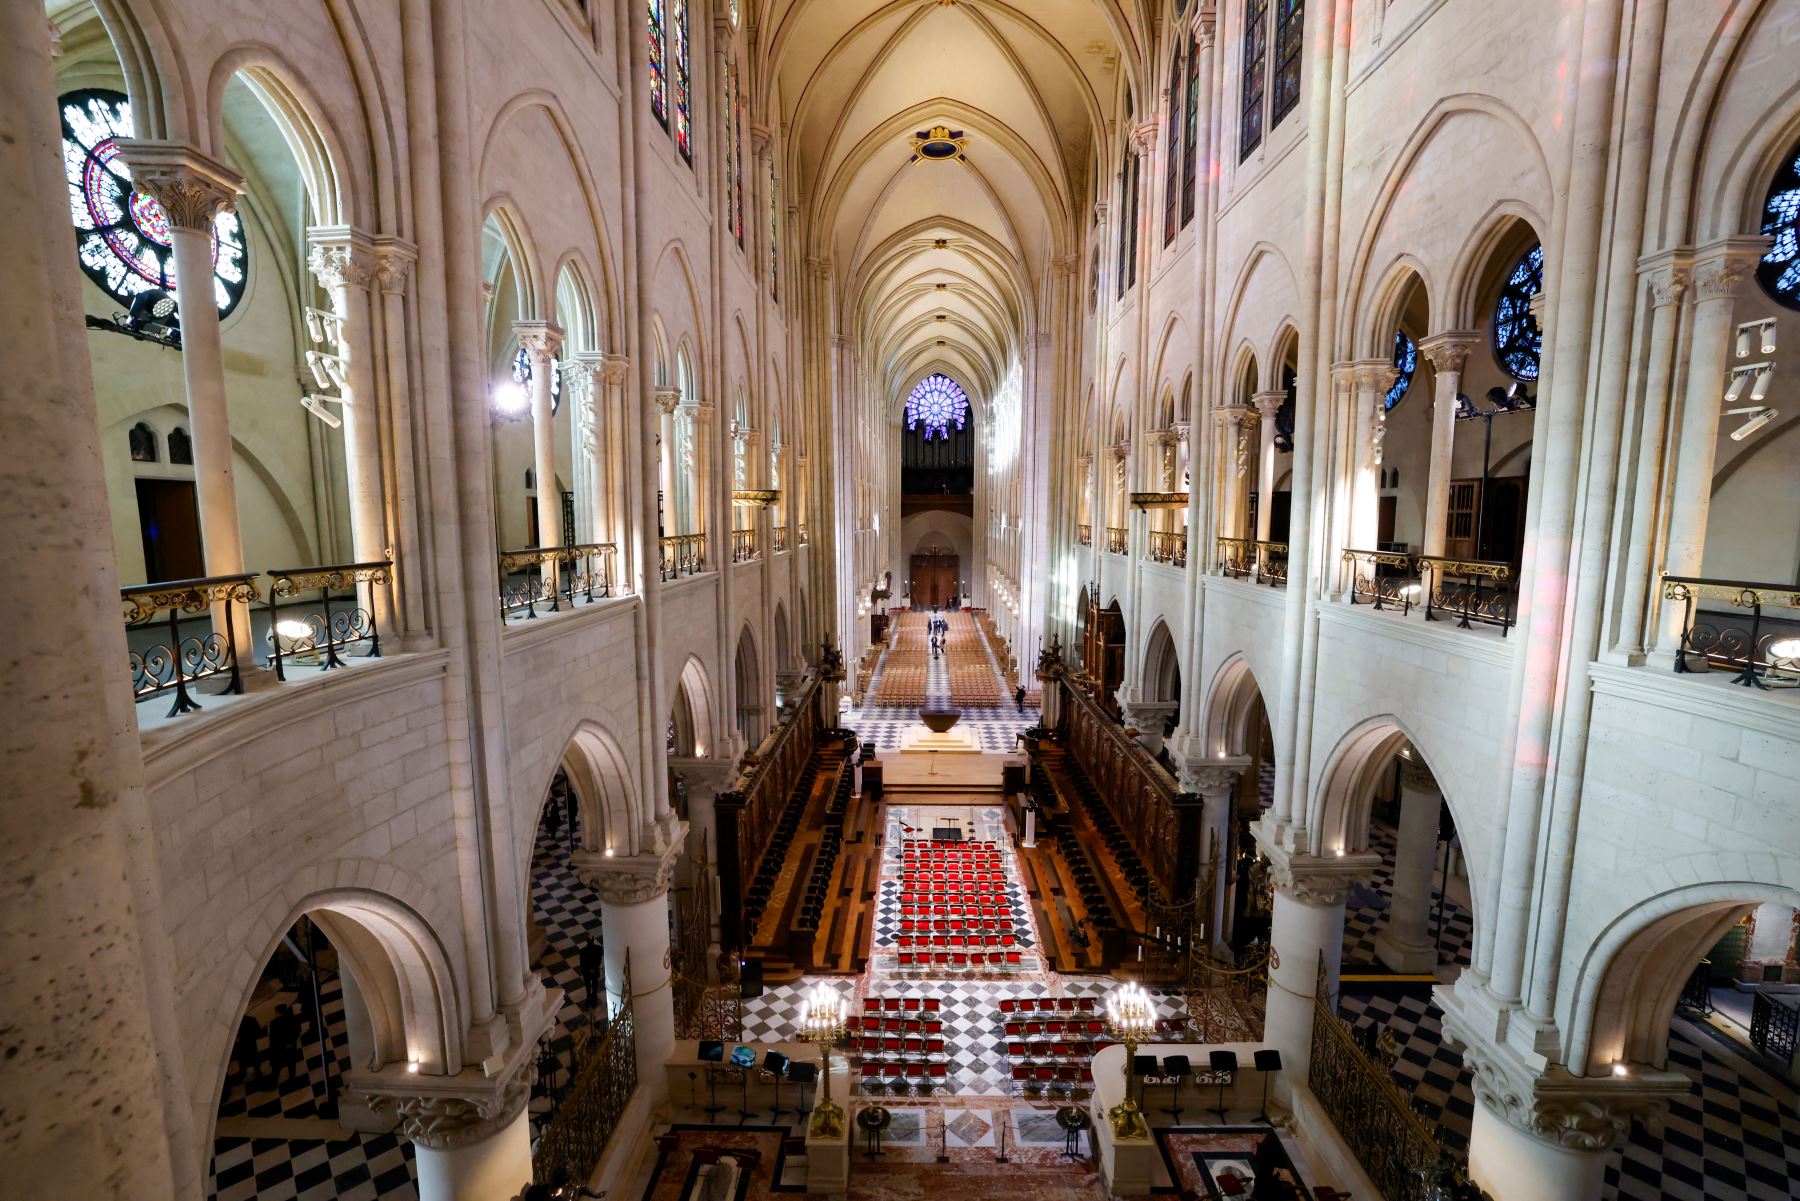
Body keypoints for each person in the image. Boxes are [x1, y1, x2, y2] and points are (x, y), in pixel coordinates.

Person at [267, 1002, 304, 1089]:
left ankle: (274, 1083)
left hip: (278, 1049)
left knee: (276, 1067)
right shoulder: (292, 1019)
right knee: (291, 1063)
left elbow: (273, 1038)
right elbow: (298, 1029)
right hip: (291, 1047)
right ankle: (292, 1079)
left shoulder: (274, 1023)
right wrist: (291, 1042)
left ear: (279, 1012)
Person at [232, 1014, 265, 1096]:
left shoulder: (235, 1024)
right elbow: (258, 1032)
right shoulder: (252, 1019)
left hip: (241, 1048)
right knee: (254, 1059)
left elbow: (235, 1038)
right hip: (251, 1045)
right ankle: (257, 1071)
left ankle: (243, 1074)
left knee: (242, 1061)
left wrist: (238, 1040)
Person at [579, 936, 604, 1011]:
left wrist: (589, 969)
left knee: (588, 987)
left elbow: (582, 963)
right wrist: (593, 968)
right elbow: (599, 960)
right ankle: (594, 1001)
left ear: (586, 941)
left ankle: (589, 1000)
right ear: (593, 940)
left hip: (586, 972)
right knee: (595, 985)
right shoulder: (598, 948)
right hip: (595, 970)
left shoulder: (583, 951)